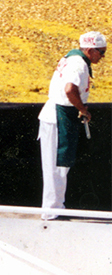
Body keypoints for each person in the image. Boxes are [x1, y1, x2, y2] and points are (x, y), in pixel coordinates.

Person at [38, 31, 106, 220]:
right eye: (101, 52)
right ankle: (51, 212)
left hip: (61, 115)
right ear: (91, 50)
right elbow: (70, 89)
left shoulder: (73, 58)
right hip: (59, 116)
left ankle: (55, 208)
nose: (103, 57)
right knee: (56, 166)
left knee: (60, 164)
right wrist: (82, 109)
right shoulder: (78, 64)